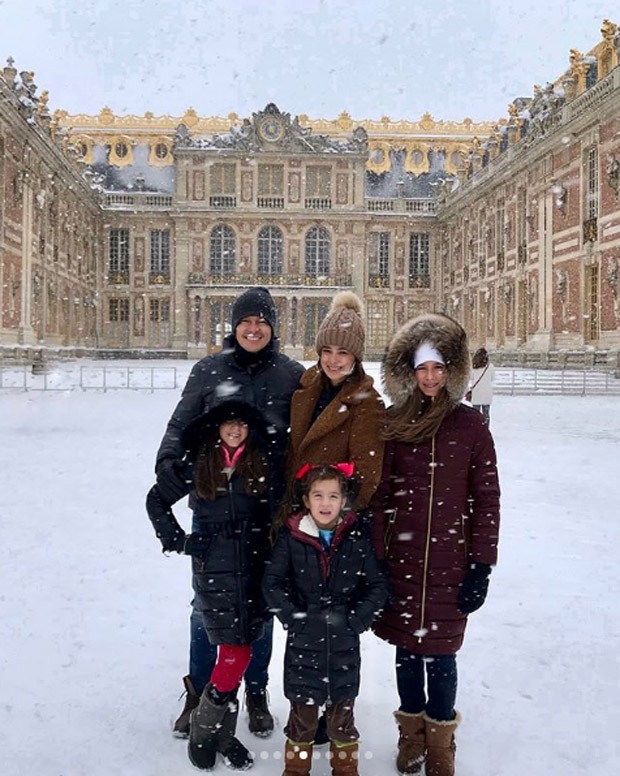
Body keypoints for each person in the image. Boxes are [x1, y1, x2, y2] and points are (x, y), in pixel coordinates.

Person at [155, 286, 305, 738]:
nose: (253, 329)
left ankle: (255, 691)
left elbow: (311, 436)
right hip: (214, 510)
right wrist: (167, 463)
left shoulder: (291, 375)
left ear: (272, 328)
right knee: (206, 606)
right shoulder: (209, 371)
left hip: (267, 513)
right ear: (234, 326)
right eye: (246, 321)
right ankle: (201, 692)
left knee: (260, 604)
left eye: (261, 321)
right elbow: (180, 424)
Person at [369, 313, 500, 776]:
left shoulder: (470, 426)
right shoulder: (392, 424)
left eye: (439, 368)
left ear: (451, 371)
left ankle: (441, 742)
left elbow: (486, 497)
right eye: (423, 369)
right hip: (402, 559)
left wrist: (482, 565)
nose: (430, 378)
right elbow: (379, 497)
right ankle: (410, 736)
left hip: (451, 561)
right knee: (407, 652)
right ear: (410, 371)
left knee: (442, 654)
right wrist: (377, 561)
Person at [147, 401, 272, 770]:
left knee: (242, 648)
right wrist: (179, 541)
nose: (235, 430)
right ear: (217, 428)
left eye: (241, 425)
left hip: (252, 567)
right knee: (233, 650)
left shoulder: (261, 462)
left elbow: (281, 508)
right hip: (214, 570)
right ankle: (205, 732)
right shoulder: (201, 462)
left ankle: (219, 731)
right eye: (228, 424)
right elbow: (156, 499)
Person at [263, 464, 389, 776]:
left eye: (333, 495)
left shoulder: (356, 537)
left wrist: (357, 620)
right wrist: (295, 618)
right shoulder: (292, 537)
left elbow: (377, 585)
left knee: (342, 720)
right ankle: (295, 769)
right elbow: (272, 584)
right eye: (318, 495)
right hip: (304, 644)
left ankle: (346, 770)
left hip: (344, 643)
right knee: (302, 719)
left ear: (343, 500)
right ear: (306, 500)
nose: (325, 503)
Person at [285, 291, 385, 515]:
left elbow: (365, 475)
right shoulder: (306, 387)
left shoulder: (367, 403)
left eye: (343, 352)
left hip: (331, 518)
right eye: (327, 351)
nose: (333, 360)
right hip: (296, 511)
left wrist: (334, 516)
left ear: (355, 357)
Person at [469, 347, 495, 427]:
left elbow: (471, 377)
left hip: (477, 393)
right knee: (486, 414)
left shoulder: (474, 366)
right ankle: (486, 430)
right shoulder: (490, 366)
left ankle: (475, 429)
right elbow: (492, 378)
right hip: (487, 393)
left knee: (475, 413)